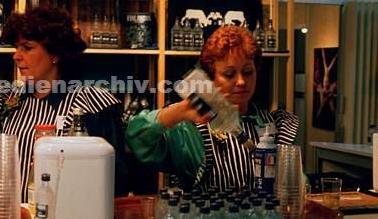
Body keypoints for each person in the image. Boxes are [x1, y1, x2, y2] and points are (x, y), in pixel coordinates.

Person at [0, 7, 128, 200]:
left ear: (55, 54)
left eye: (27, 48)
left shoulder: (93, 105)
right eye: (16, 47)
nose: (16, 56)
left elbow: (116, 181)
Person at [126, 25, 299, 192]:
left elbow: (296, 185)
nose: (241, 82)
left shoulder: (275, 125)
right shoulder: (191, 130)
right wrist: (178, 111)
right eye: (229, 74)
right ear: (211, 78)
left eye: (247, 72)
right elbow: (137, 140)